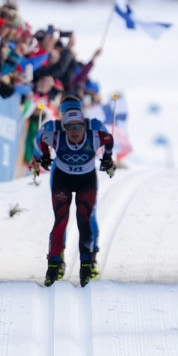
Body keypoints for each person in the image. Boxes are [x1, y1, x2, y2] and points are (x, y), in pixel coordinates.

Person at [33, 95, 115, 286]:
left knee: (69, 218)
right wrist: (108, 159)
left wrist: (39, 159)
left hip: (71, 173)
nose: (74, 129)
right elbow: (108, 139)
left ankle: (62, 259)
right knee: (84, 216)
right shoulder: (91, 124)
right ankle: (89, 258)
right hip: (70, 173)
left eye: (78, 124)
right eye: (69, 125)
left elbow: (38, 142)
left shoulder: (54, 125)